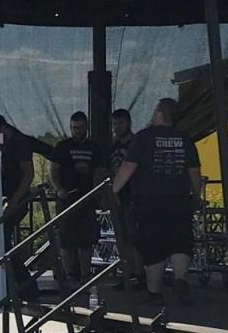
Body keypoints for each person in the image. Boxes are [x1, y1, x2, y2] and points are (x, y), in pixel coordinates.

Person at [112, 98, 201, 306]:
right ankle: (180, 279)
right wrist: (197, 196)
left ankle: (154, 292)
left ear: (160, 112)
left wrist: (112, 190)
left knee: (153, 246)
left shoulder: (144, 137)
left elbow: (128, 167)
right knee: (180, 242)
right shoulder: (185, 138)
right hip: (179, 199)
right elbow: (194, 172)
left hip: (149, 200)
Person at [50, 111, 106, 286]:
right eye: (74, 128)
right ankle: (70, 275)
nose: (77, 131)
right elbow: (53, 170)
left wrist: (98, 192)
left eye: (80, 128)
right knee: (66, 239)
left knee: (86, 240)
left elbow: (99, 171)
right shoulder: (62, 147)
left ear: (86, 127)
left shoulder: (94, 148)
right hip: (67, 198)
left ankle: (85, 275)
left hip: (87, 199)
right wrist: (59, 189)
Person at [0, 115, 38, 298]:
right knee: (3, 241)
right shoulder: (6, 143)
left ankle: (26, 285)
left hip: (17, 199)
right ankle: (21, 284)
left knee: (2, 240)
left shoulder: (18, 143)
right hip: (8, 197)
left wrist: (14, 201)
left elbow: (28, 174)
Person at [108, 108, 145, 291]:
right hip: (118, 196)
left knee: (134, 238)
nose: (117, 127)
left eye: (120, 123)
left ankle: (139, 275)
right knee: (122, 239)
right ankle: (127, 274)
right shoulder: (113, 146)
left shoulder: (136, 143)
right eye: (114, 124)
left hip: (134, 195)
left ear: (128, 123)